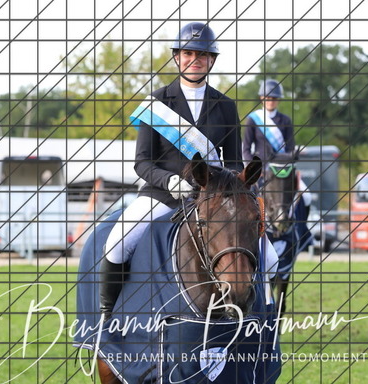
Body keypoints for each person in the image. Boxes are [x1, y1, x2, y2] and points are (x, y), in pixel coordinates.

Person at [99, 21, 244, 319]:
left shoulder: (226, 106)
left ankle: (262, 319)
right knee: (117, 244)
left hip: (213, 200)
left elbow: (235, 164)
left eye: (202, 55)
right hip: (161, 195)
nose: (194, 60)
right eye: (188, 53)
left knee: (268, 254)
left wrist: (221, 188)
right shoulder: (156, 102)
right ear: (177, 57)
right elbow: (142, 162)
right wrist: (169, 181)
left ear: (211, 60)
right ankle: (107, 318)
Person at [243, 78, 295, 166]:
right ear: (261, 98)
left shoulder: (286, 120)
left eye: (274, 98)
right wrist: (253, 168)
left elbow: (290, 148)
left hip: (280, 166)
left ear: (278, 99)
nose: (270, 101)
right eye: (267, 98)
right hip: (259, 168)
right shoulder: (252, 119)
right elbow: (246, 149)